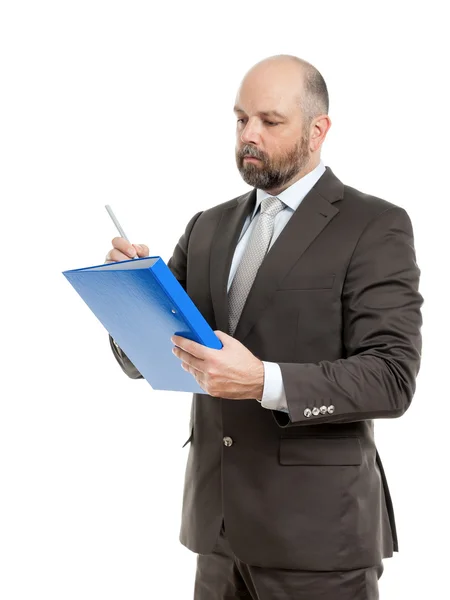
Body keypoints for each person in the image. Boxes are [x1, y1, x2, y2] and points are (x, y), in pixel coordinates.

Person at [105, 55, 423, 600]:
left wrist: (262, 381)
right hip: (217, 532)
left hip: (319, 539)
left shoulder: (374, 226)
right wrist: (132, 298)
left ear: (318, 130)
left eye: (270, 122)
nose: (249, 135)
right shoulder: (207, 227)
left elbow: (391, 378)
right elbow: (150, 358)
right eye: (240, 119)